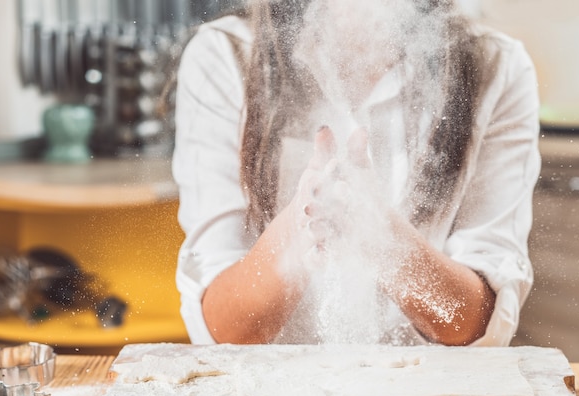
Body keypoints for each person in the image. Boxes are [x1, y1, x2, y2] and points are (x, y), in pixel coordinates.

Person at [172, 0, 540, 347]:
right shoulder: (224, 55)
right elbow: (224, 328)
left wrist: (384, 239)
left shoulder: (497, 67)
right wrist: (300, 229)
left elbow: (474, 325)